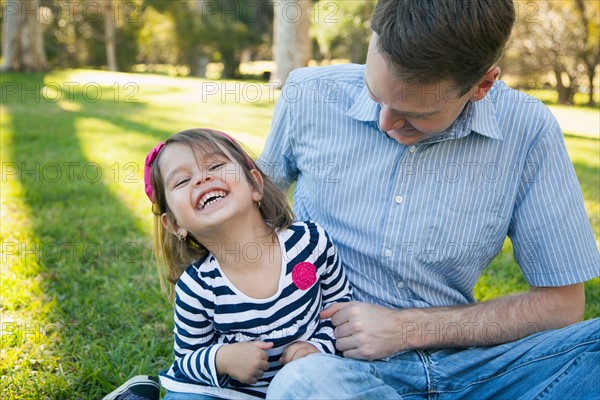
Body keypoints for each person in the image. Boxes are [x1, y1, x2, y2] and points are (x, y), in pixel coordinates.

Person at [258, 0, 600, 398]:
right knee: (304, 382)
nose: (384, 122)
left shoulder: (528, 129)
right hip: (336, 364)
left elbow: (562, 305)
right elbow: (245, 224)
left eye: (412, 114)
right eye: (375, 95)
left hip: (472, 368)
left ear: (481, 86)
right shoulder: (308, 95)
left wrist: (407, 329)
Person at [114, 128, 351, 400]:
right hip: (229, 395)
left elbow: (341, 307)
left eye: (215, 166)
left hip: (308, 384)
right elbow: (186, 361)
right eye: (181, 181)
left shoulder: (310, 243)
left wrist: (318, 348)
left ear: (254, 185)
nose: (202, 178)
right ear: (175, 224)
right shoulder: (197, 287)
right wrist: (220, 359)